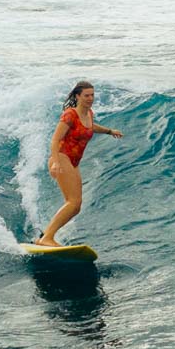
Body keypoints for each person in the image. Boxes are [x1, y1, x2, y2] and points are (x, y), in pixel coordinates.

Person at [34, 80, 123, 245]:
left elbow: (90, 127)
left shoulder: (89, 113)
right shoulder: (70, 114)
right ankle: (47, 238)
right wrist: (55, 162)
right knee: (73, 202)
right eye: (86, 95)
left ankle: (45, 236)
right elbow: (55, 140)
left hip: (73, 162)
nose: (90, 98)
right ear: (77, 96)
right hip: (61, 157)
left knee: (76, 206)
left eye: (92, 95)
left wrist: (109, 131)